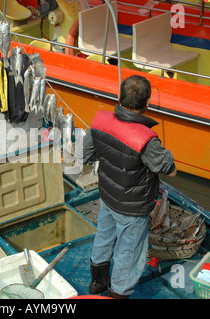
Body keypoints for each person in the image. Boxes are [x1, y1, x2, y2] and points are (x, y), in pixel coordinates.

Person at [82, 75, 177, 299]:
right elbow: (168, 168)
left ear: (119, 97)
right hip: (133, 209)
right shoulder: (147, 138)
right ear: (148, 103)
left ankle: (97, 283)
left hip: (107, 196)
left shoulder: (98, 122)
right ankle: (118, 294)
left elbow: (85, 156)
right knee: (129, 252)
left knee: (103, 237)